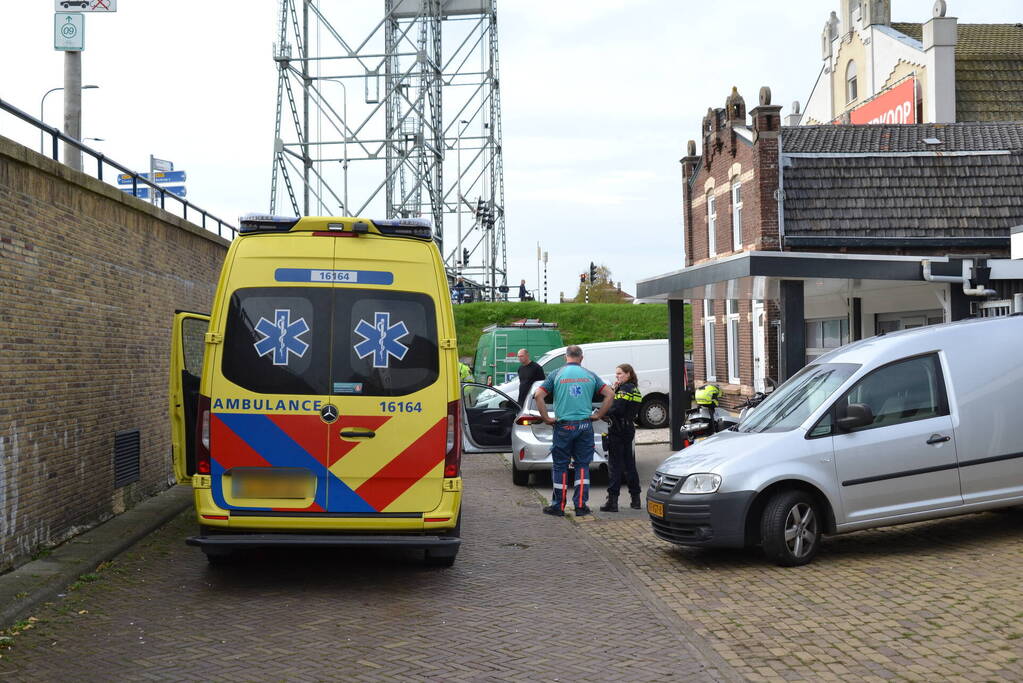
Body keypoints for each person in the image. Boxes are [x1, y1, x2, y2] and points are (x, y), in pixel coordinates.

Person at [535, 345, 614, 517]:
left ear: (566, 357)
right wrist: (599, 414)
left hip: (563, 426)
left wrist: (546, 418)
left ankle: (558, 506)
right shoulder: (590, 375)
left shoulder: (556, 374)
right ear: (581, 358)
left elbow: (538, 395)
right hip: (585, 426)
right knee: (582, 465)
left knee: (560, 466)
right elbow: (610, 394)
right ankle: (580, 506)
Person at [599, 364, 643, 512]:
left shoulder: (624, 390)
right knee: (629, 464)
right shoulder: (635, 389)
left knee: (615, 466)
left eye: (620, 374)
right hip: (628, 428)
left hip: (618, 430)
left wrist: (601, 413)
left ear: (628, 374)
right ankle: (635, 499)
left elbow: (616, 408)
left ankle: (612, 502)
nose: (617, 376)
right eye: (616, 374)